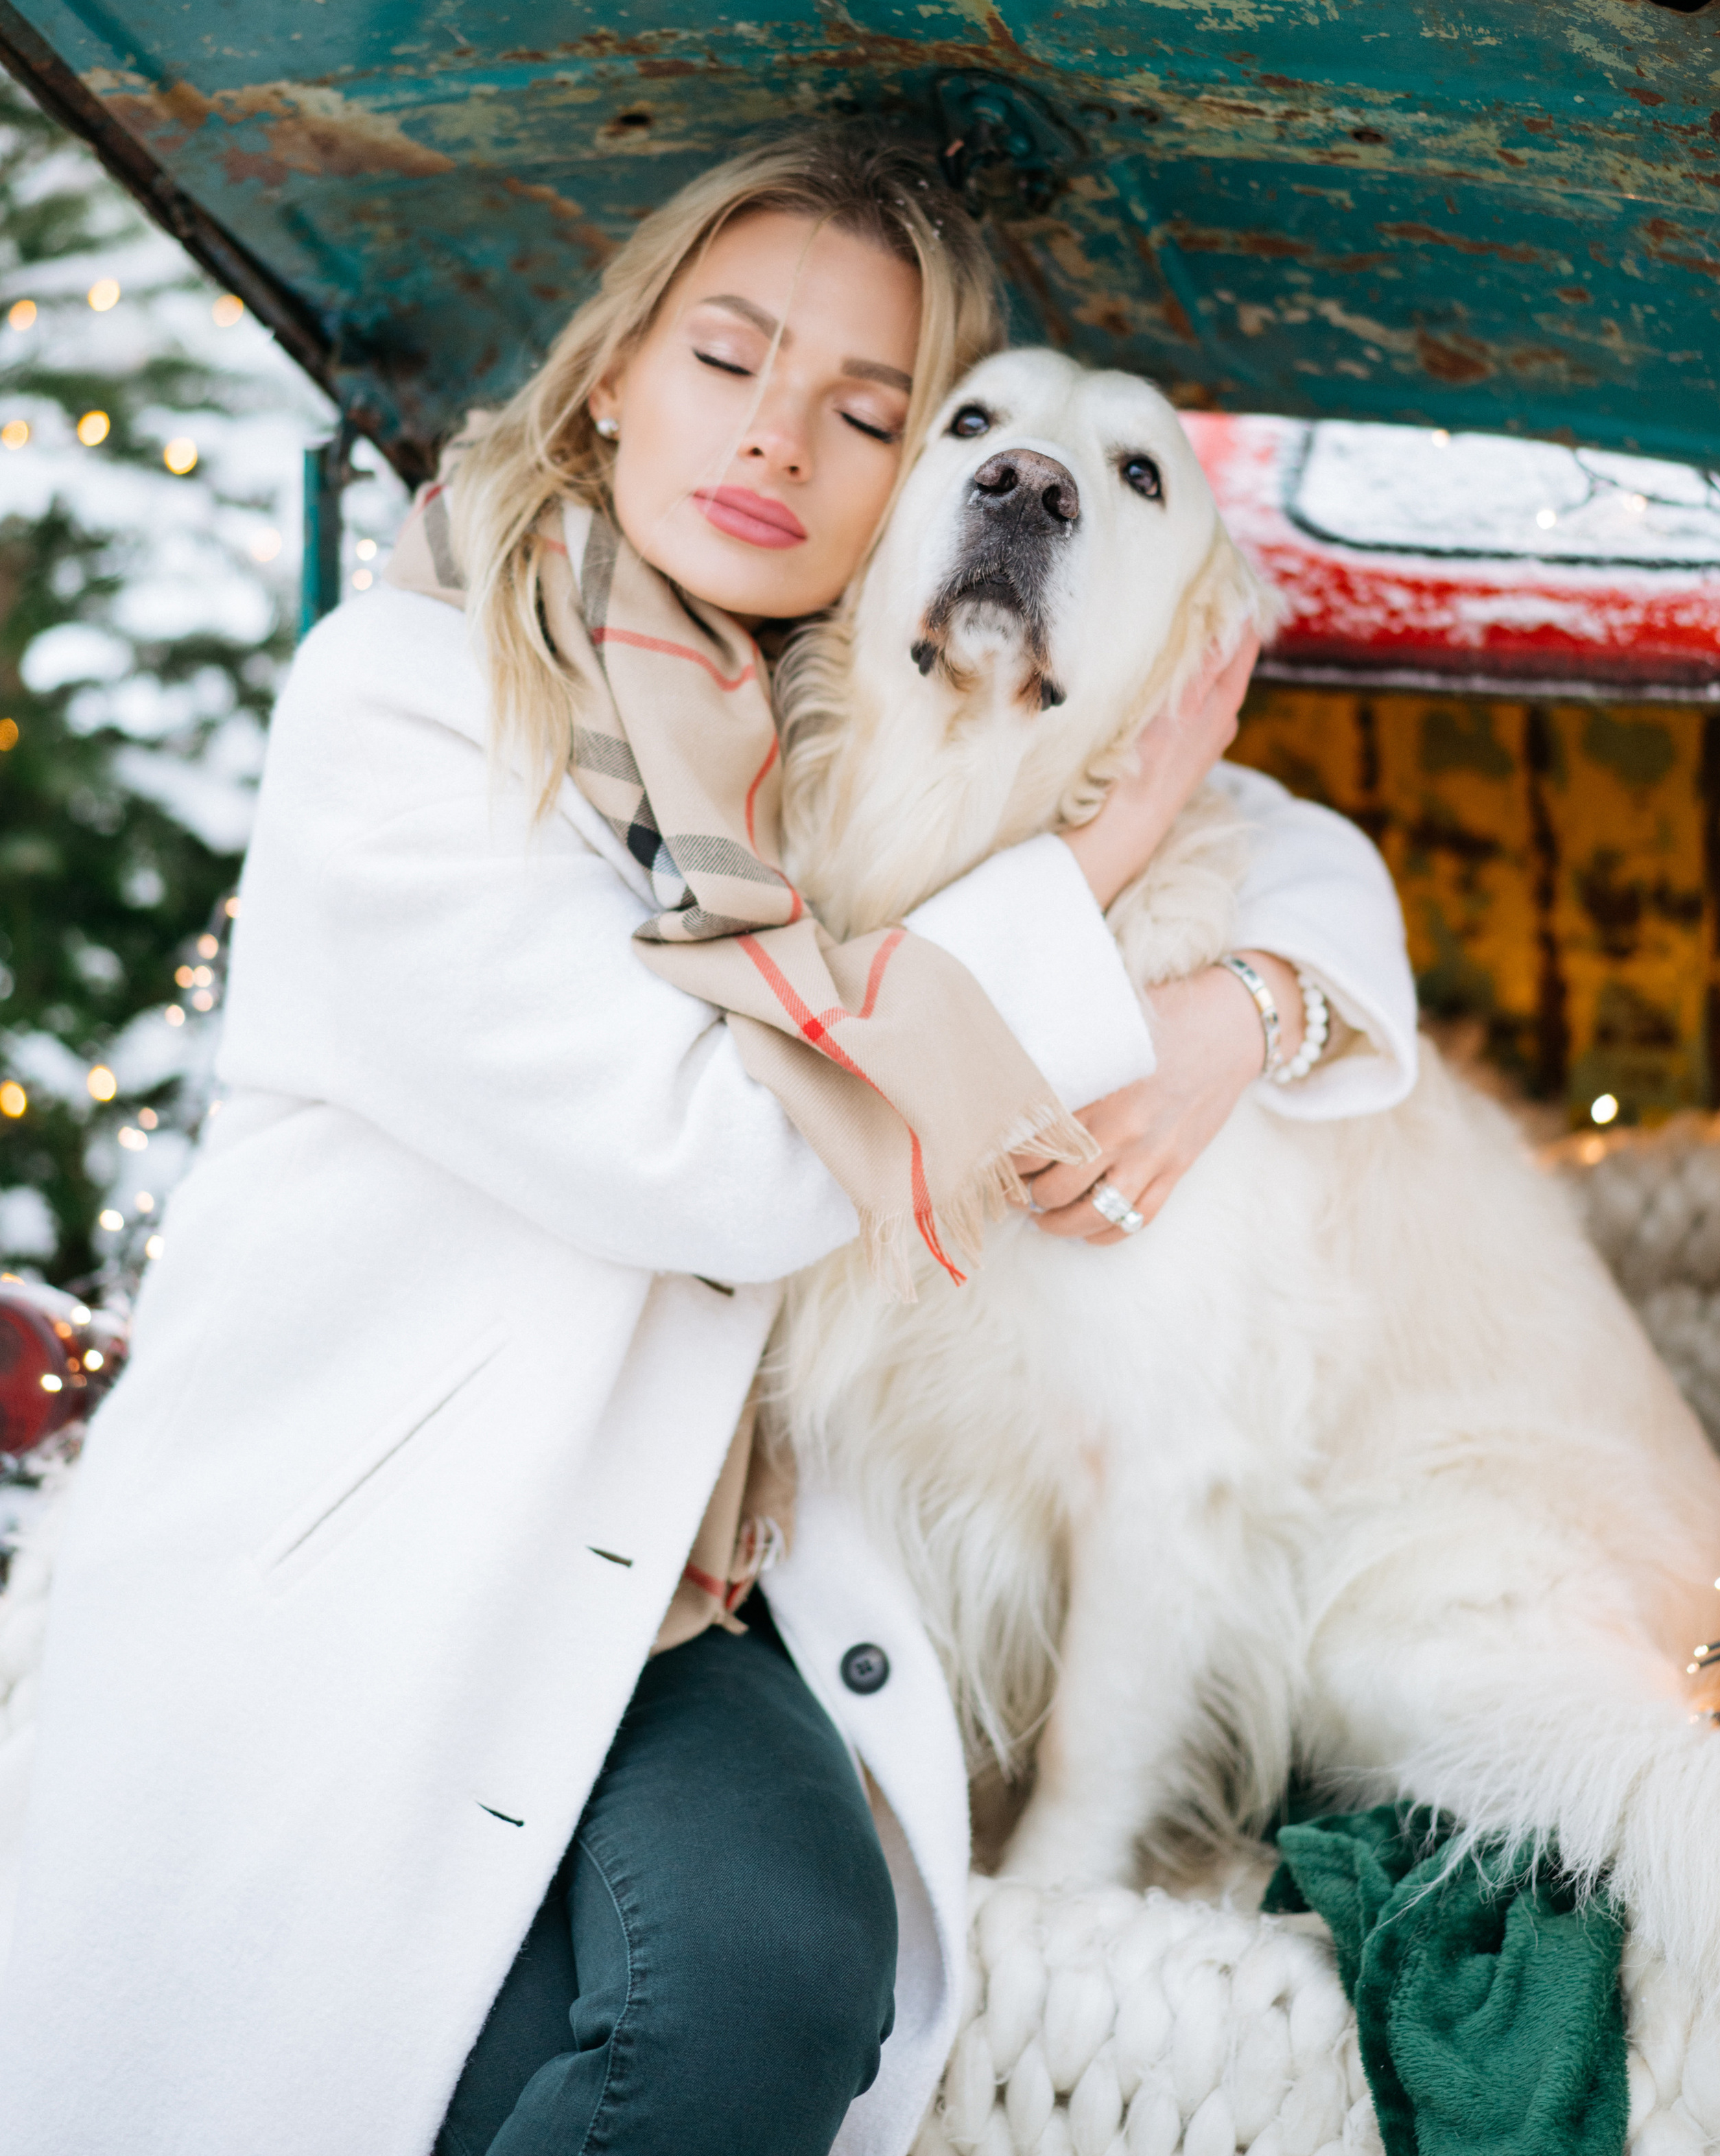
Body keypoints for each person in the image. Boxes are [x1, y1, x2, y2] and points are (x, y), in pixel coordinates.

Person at [0, 128, 1417, 2156]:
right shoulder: (406, 701)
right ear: (609, 379)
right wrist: (1100, 847)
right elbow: (725, 1161)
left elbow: (1294, 850)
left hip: (681, 1588)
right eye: (728, 362)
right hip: (374, 1567)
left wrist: (1237, 1007)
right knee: (443, 2062)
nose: (779, 446)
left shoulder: (815, 739)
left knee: (774, 1973)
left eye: (866, 417)